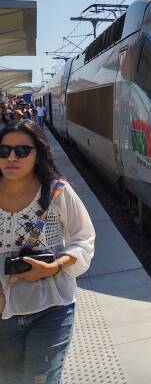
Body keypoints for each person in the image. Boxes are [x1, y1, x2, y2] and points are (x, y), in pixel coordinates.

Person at [0, 119, 95, 383]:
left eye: (21, 151)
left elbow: (83, 238)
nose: (11, 157)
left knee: (41, 379)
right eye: (3, 150)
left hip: (51, 306)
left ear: (37, 153)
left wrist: (54, 267)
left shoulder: (57, 192)